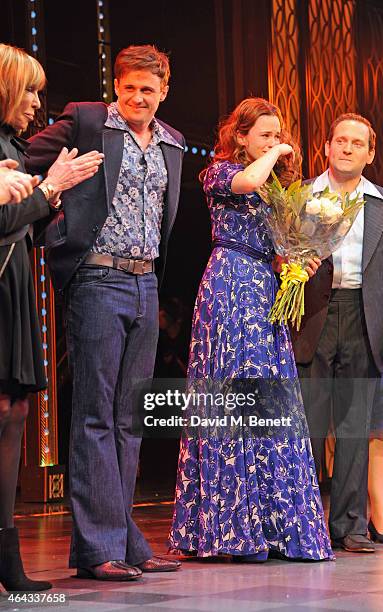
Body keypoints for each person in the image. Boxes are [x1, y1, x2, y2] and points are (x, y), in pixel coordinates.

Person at [26, 45, 184, 580]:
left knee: (129, 417)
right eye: (129, 86)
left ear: (164, 91)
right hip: (96, 275)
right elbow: (23, 156)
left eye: (149, 89)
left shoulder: (173, 142)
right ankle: (97, 549)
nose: (138, 97)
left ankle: (126, 539)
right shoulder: (88, 120)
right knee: (95, 415)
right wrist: (56, 218)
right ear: (116, 85)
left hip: (144, 282)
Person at [169, 97, 333, 561]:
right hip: (230, 285)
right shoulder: (219, 173)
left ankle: (276, 526)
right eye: (265, 134)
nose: (276, 143)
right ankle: (230, 527)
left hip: (264, 288)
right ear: (240, 136)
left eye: (278, 135)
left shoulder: (277, 189)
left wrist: (300, 261)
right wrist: (274, 155)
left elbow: (284, 237)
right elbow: (247, 180)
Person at [0, 43, 103, 592]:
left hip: (16, 291)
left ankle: (10, 563)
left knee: (15, 412)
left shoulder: (12, 145)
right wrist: (49, 191)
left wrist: (48, 199)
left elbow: (21, 225)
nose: (37, 104)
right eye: (30, 90)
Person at [290, 113, 383, 552]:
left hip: (364, 315)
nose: (347, 148)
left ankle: (350, 526)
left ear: (370, 152)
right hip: (313, 315)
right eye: (339, 141)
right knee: (307, 421)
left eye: (356, 143)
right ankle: (301, 521)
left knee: (352, 426)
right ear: (327, 147)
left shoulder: (379, 203)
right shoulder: (302, 196)